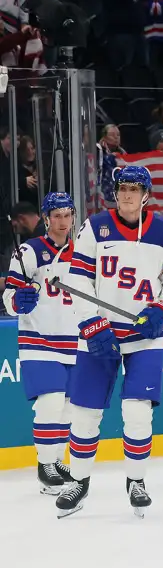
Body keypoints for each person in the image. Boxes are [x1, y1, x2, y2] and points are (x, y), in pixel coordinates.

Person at [55, 166, 163, 518]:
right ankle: (79, 482)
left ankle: (136, 480)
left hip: (145, 335)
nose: (126, 194)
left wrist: (162, 309)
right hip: (100, 333)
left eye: (134, 188)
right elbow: (78, 278)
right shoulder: (95, 226)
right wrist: (91, 322)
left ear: (146, 194)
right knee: (85, 414)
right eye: (121, 188)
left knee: (137, 412)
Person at [3, 193, 77, 495]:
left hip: (75, 339)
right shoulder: (29, 251)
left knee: (68, 410)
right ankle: (45, 465)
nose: (62, 221)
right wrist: (18, 300)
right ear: (45, 219)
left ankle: (56, 461)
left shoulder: (85, 253)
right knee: (51, 402)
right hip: (40, 339)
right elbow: (9, 297)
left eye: (66, 215)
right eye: (55, 216)